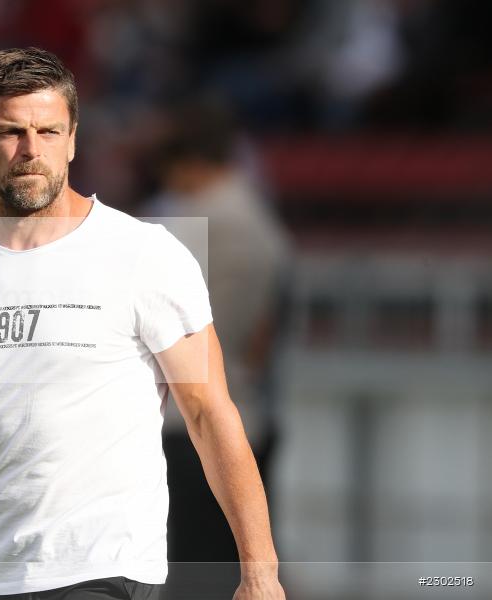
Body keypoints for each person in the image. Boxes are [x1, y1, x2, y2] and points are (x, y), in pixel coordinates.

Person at [0, 47, 285, 600]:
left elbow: (209, 412)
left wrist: (260, 572)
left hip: (102, 570)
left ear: (74, 138)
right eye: (11, 131)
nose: (30, 151)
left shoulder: (143, 253)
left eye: (49, 131)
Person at [144, 98, 292, 597]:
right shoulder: (252, 212)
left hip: (199, 424)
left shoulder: (203, 222)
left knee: (197, 576)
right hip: (243, 412)